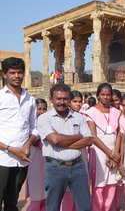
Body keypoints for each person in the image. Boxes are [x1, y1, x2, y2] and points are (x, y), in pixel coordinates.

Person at [37, 83, 92, 211]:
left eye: (65, 99)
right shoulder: (44, 118)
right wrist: (78, 136)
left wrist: (62, 141)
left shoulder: (78, 117)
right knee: (53, 207)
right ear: (51, 100)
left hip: (78, 166)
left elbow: (89, 140)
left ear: (69, 99)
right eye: (58, 99)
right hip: (55, 167)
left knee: (84, 207)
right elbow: (54, 140)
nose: (62, 102)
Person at [0, 57, 38, 211]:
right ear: (4, 74)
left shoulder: (30, 99)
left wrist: (28, 144)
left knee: (12, 202)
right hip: (3, 159)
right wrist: (9, 149)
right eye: (12, 73)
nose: (16, 76)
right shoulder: (1, 98)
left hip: (22, 159)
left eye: (20, 73)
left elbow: (34, 128)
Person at [85, 83, 121, 211]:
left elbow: (118, 135)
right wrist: (110, 153)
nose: (105, 97)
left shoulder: (116, 112)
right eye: (103, 94)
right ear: (98, 96)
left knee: (111, 185)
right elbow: (93, 136)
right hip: (98, 153)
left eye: (108, 94)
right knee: (99, 186)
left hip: (113, 154)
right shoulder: (91, 112)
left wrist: (115, 155)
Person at [26, 98, 47, 211]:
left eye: (44, 109)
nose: (42, 112)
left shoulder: (48, 123)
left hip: (46, 162)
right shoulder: (29, 124)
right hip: (33, 161)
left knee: (46, 194)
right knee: (36, 194)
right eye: (39, 109)